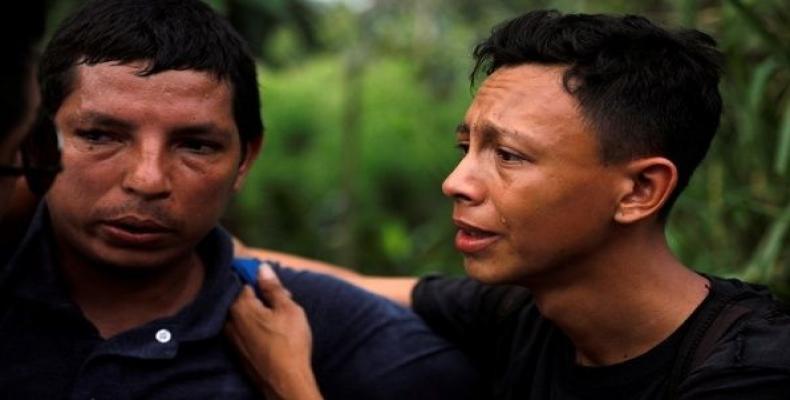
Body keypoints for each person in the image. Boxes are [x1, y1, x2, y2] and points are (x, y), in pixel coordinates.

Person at [231, 9, 790, 399]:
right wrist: (211, 250)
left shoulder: (749, 371)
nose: (456, 182)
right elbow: (350, 284)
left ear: (640, 191)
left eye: (510, 155)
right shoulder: (528, 314)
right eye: (465, 147)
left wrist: (291, 385)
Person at [0, 1, 480, 399]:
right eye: (101, 135)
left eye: (196, 145)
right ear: (36, 140)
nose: (147, 180)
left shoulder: (334, 338)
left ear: (245, 160)